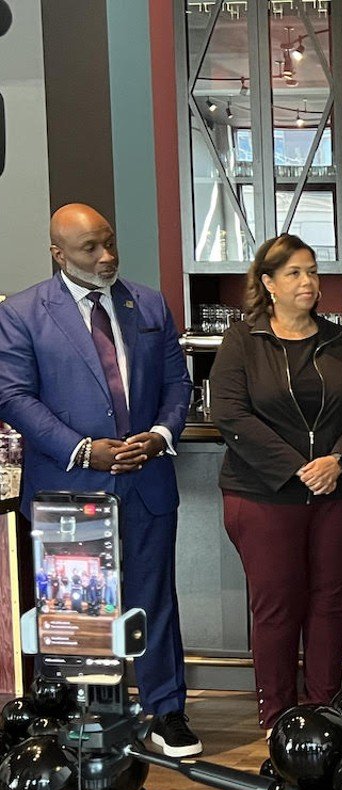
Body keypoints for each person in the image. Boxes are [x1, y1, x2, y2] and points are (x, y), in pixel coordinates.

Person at [0, 203, 201, 756]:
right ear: (59, 254)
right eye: (91, 248)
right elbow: (13, 396)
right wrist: (83, 450)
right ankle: (77, 722)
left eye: (109, 242)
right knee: (75, 611)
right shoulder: (22, 313)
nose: (107, 256)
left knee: (153, 599)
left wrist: (161, 434)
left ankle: (167, 712)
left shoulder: (150, 303)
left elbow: (176, 385)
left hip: (147, 478)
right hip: (70, 488)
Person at [210, 234, 342, 732]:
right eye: (294, 273)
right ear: (268, 283)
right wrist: (294, 466)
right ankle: (279, 717)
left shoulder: (341, 340)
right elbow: (230, 412)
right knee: (277, 606)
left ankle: (325, 712)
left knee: (330, 602)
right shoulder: (243, 341)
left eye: (312, 271)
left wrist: (338, 461)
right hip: (263, 495)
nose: (308, 282)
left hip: (338, 492)